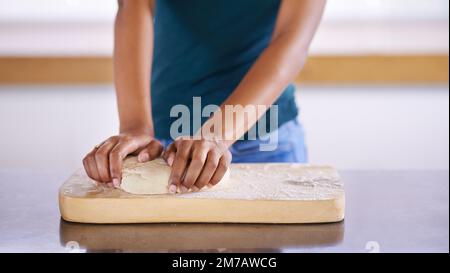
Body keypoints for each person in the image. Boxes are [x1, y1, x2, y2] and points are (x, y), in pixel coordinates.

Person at [83, 0, 326, 193]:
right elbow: (134, 4)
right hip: (165, 144)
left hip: (266, 141)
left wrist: (216, 135)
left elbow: (291, 38)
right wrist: (134, 126)